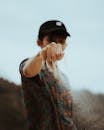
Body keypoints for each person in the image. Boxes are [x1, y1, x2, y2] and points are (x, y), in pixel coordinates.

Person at [19, 20, 77, 130]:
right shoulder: (33, 65)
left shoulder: (64, 78)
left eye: (61, 41)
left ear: (66, 45)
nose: (56, 45)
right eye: (51, 40)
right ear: (39, 42)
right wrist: (43, 54)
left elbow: (69, 116)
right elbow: (27, 70)